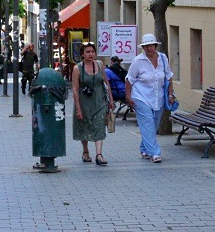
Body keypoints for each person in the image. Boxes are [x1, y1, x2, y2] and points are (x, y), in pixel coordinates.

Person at [125, 34, 175, 163]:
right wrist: (128, 97)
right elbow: (129, 79)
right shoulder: (137, 61)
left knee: (154, 125)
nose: (149, 48)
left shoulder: (163, 58)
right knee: (148, 124)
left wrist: (170, 94)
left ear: (155, 46)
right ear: (143, 47)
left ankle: (144, 149)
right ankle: (155, 153)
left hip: (158, 97)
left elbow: (169, 76)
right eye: (146, 46)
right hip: (140, 96)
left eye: (151, 45)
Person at [71, 42, 114, 166]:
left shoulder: (100, 64)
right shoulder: (77, 68)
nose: (91, 54)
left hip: (99, 100)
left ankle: (99, 155)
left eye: (92, 51)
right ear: (82, 54)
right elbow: (75, 89)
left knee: (99, 125)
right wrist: (78, 108)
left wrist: (111, 99)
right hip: (84, 101)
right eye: (88, 52)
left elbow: (106, 83)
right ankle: (85, 151)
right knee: (84, 126)